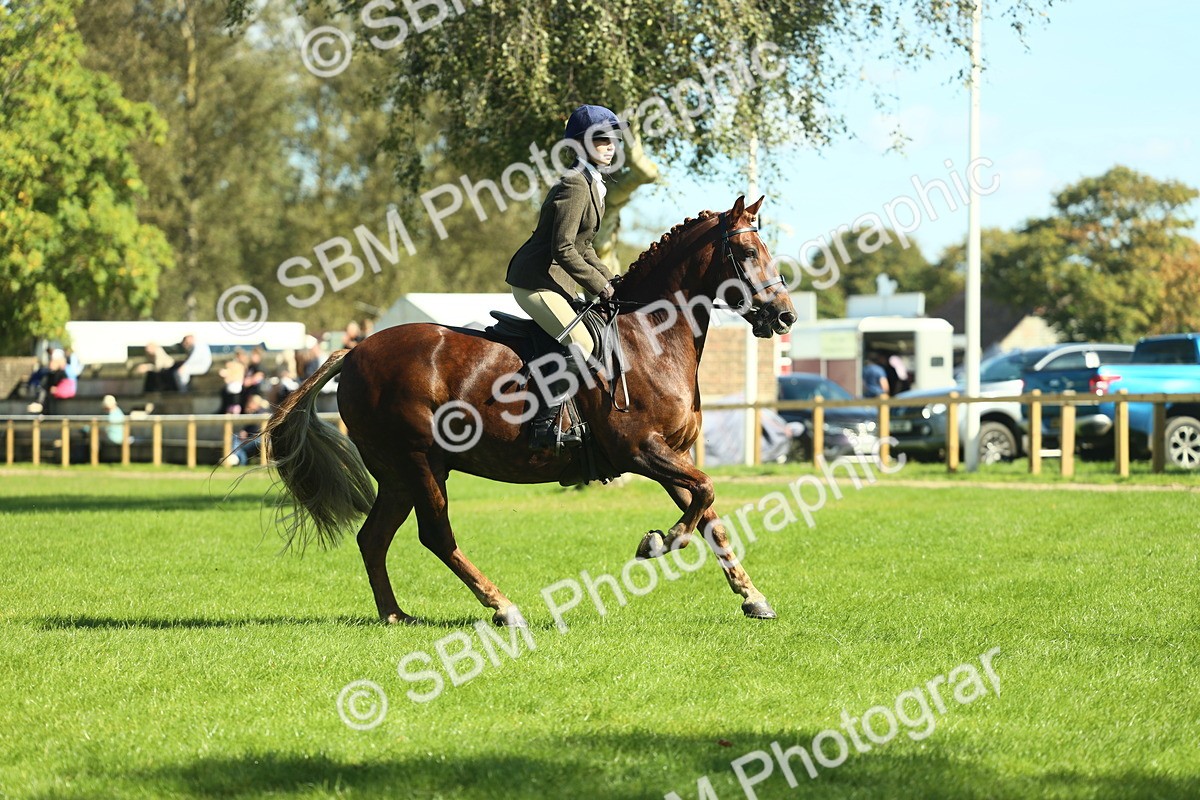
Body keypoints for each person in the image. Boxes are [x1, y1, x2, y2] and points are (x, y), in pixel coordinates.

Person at [505, 103, 625, 449]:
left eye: (612, 139)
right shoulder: (574, 184)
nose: (609, 146)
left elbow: (584, 246)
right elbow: (562, 249)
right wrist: (599, 285)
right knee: (583, 343)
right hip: (535, 282)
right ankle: (544, 425)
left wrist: (612, 279)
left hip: (557, 282)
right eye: (601, 139)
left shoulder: (592, 184)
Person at [223, 393, 269, 467]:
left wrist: (246, 433)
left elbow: (257, 429)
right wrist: (244, 431)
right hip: (253, 437)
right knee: (235, 438)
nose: (247, 405)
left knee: (240, 447)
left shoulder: (261, 412)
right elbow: (249, 428)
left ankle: (238, 460)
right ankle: (235, 458)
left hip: (259, 438)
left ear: (254, 403)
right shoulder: (256, 412)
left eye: (249, 403)